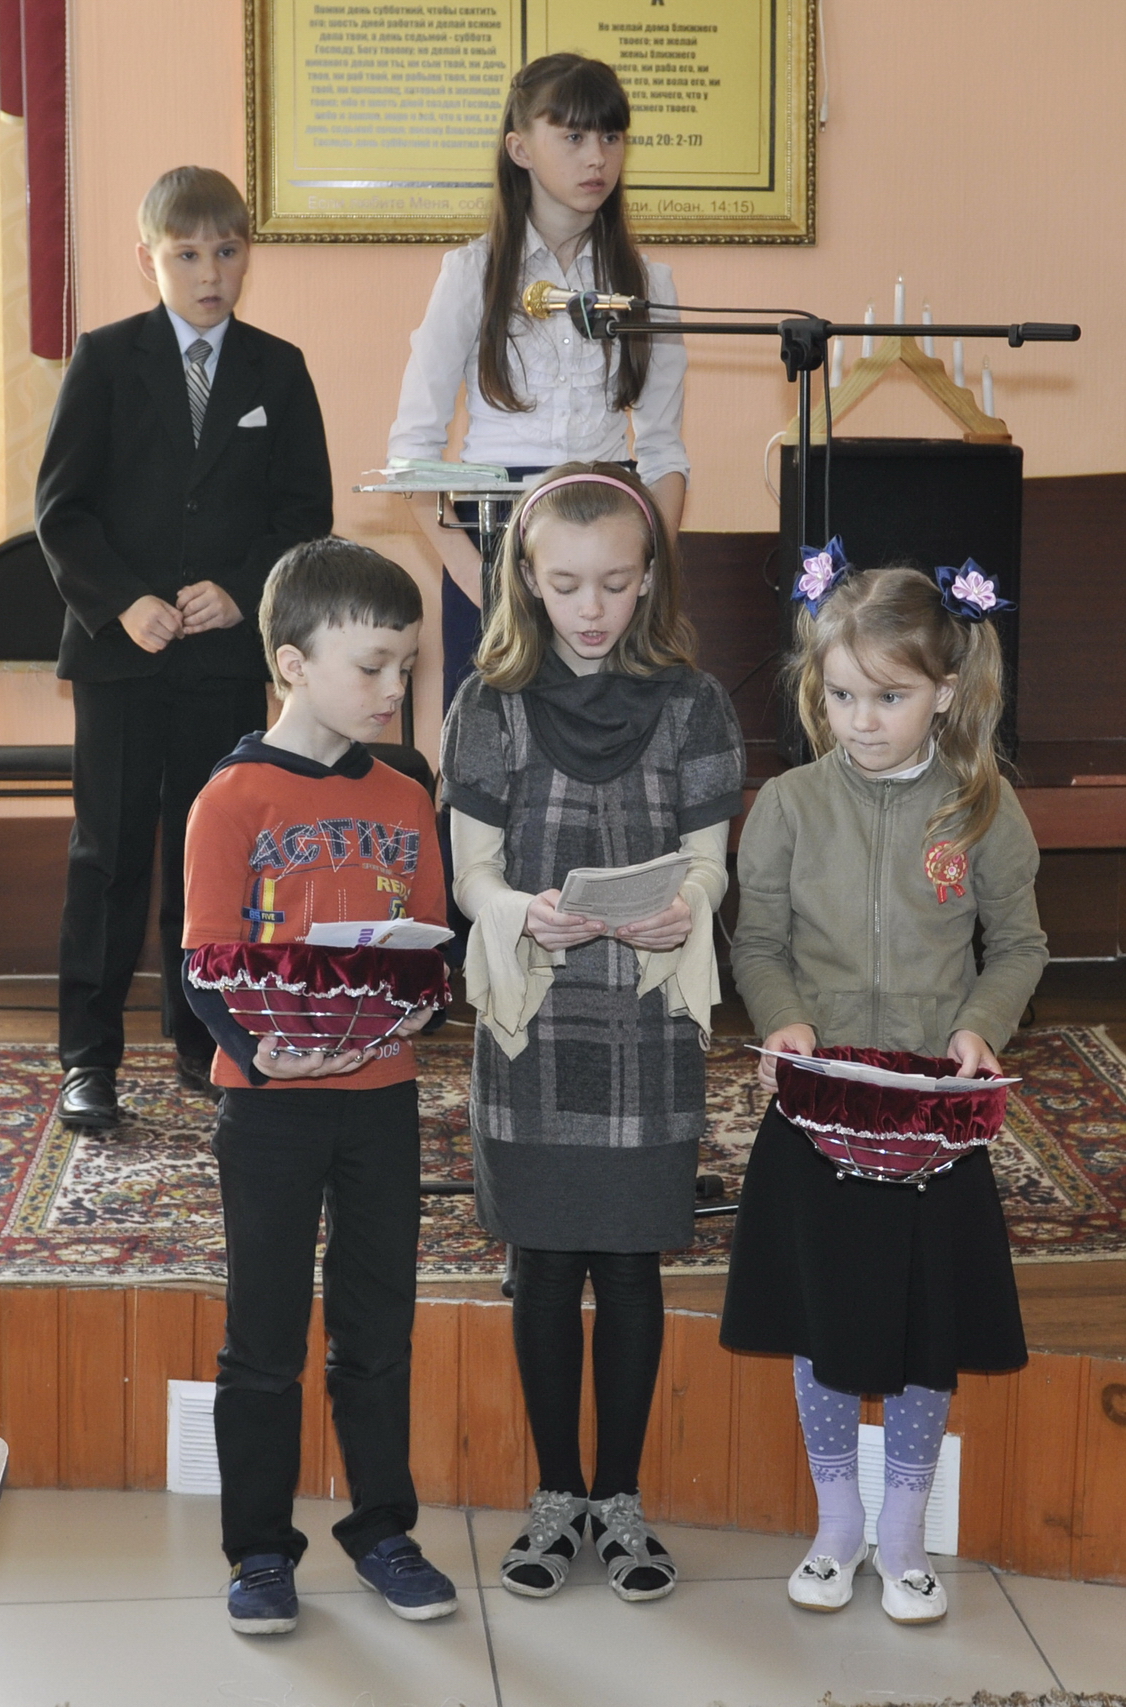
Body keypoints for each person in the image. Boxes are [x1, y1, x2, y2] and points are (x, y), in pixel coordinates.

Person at [720, 551, 1047, 1625]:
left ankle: (903, 1530)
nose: (861, 721)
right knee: (823, 1318)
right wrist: (782, 1016)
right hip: (822, 1107)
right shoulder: (787, 805)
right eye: (842, 695)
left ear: (945, 692)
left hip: (929, 1119)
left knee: (922, 1327)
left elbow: (1020, 945)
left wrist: (977, 1026)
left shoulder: (982, 808)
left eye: (890, 697)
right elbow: (758, 941)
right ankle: (838, 1523)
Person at [440, 464, 743, 1603]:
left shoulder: (694, 704)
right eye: (566, 584)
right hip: (534, 1015)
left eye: (616, 582)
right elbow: (470, 877)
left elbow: (712, 862)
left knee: (627, 1261)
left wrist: (691, 902)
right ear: (526, 578)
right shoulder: (489, 704)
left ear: (650, 576)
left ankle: (620, 1497)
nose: (591, 607)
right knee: (543, 1261)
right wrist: (524, 910)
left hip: (646, 1016)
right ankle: (556, 1492)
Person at [180, 537, 457, 1635]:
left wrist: (420, 1003)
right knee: (263, 1332)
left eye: (406, 665)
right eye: (374, 664)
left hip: (382, 1098)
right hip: (270, 1106)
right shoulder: (232, 795)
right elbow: (202, 964)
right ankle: (258, 1550)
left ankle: (383, 1530)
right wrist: (260, 1056)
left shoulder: (405, 791)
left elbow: (428, 946)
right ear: (293, 663)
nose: (395, 686)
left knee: (378, 1324)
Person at [36, 166, 332, 1131]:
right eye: (188, 254)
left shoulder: (277, 369)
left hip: (220, 660)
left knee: (211, 857)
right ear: (149, 260)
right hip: (120, 657)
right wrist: (124, 601)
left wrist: (240, 590)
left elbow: (304, 515)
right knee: (110, 854)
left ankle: (205, 1037)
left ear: (249, 255)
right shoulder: (104, 358)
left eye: (227, 251)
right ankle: (89, 1057)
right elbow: (62, 513)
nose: (210, 272)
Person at [389, 52, 689, 714]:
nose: (597, 158)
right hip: (495, 542)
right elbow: (412, 457)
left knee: (611, 745)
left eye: (611, 136)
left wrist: (646, 574)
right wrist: (485, 584)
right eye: (573, 136)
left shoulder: (648, 282)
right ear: (520, 148)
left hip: (610, 547)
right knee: (495, 753)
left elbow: (664, 452)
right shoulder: (472, 274)